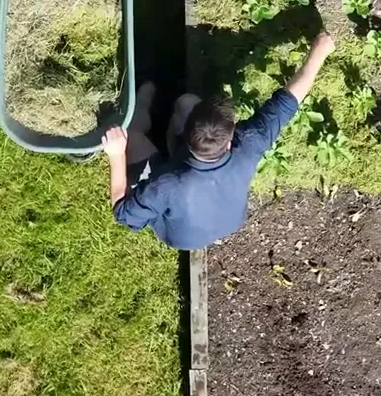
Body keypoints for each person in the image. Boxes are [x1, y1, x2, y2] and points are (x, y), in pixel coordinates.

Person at [101, 32, 337, 250]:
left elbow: (123, 213)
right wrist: (319, 53)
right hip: (227, 221)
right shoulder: (248, 145)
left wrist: (115, 153)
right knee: (186, 102)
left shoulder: (164, 186)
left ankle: (143, 96)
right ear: (229, 139)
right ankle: (155, 110)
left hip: (181, 236)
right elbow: (287, 102)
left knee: (130, 132)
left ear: (187, 135)